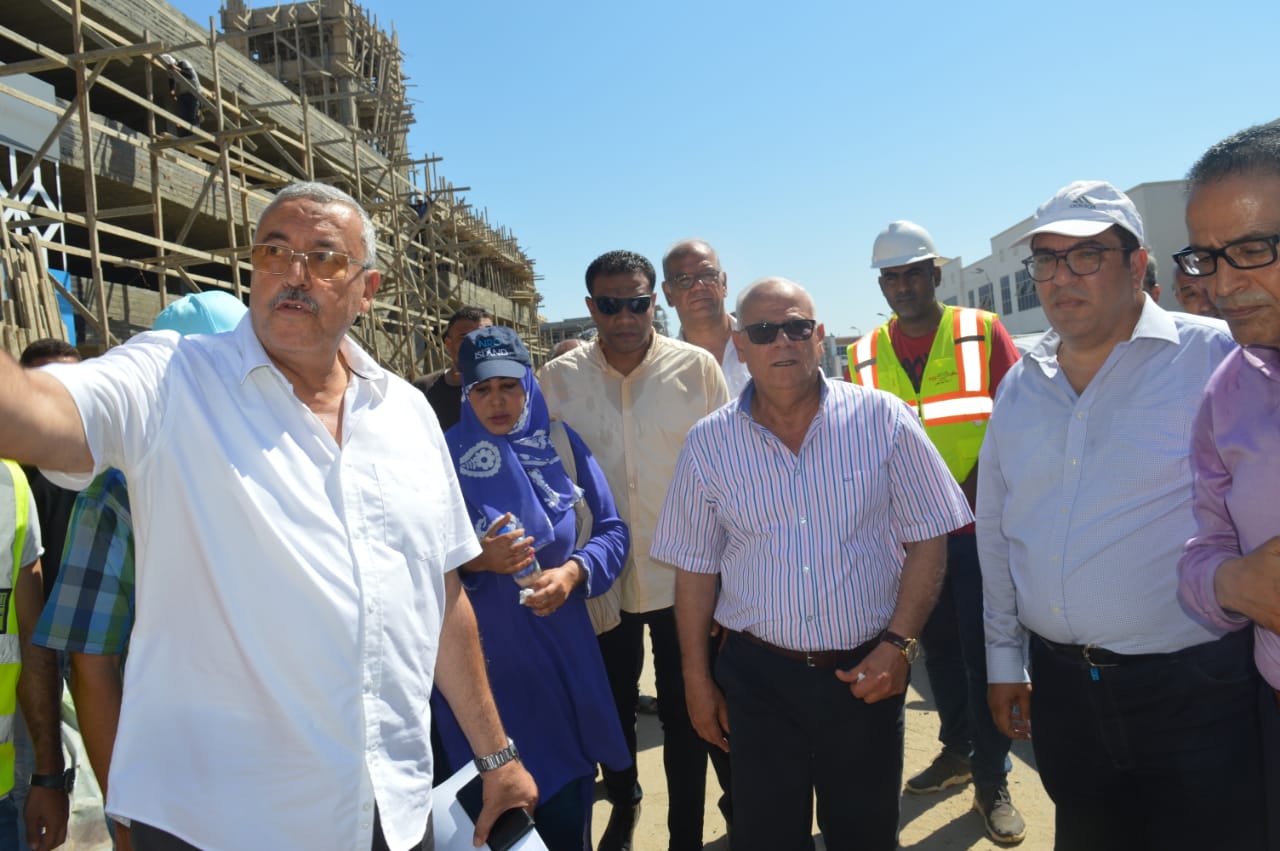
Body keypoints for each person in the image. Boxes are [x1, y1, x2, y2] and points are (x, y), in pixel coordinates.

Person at [0, 181, 536, 850]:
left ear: (368, 290)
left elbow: (440, 597)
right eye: (274, 251)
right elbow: (31, 413)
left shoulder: (404, 413)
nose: (294, 273)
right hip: (217, 823)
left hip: (389, 814)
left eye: (325, 257)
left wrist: (495, 754)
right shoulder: (172, 379)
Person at [978, 179, 1261, 850]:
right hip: (1063, 693)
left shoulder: (1218, 358)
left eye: (1085, 256)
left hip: (1196, 690)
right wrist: (1003, 658)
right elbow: (997, 528)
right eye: (1046, 260)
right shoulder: (1021, 384)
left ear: (1137, 265)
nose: (1060, 277)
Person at [652, 277, 969, 850]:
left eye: (797, 327)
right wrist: (696, 680)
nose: (782, 341)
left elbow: (929, 536)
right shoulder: (708, 444)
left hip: (865, 674)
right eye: (763, 331)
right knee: (766, 837)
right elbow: (694, 568)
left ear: (819, 336)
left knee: (865, 836)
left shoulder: (884, 418)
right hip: (757, 681)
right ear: (740, 345)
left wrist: (897, 646)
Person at [30, 291, 249, 851]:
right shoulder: (116, 492)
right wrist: (124, 813)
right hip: (179, 791)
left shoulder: (279, 463)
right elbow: (93, 665)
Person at [537, 250, 729, 851]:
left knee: (687, 712)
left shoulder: (697, 370)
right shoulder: (555, 381)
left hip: (685, 579)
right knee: (612, 707)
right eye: (610, 304)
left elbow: (732, 472)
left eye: (637, 303)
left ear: (653, 302)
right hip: (599, 582)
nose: (624, 316)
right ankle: (624, 801)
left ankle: (684, 835)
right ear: (590, 306)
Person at [853, 220, 1024, 843]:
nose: (902, 286)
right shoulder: (864, 354)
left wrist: (967, 496)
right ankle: (958, 751)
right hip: (913, 541)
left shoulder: (982, 331)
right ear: (882, 284)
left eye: (913, 274)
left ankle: (993, 779)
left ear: (935, 274)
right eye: (891, 277)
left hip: (979, 531)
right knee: (941, 654)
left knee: (985, 655)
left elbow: (1018, 421)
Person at [429, 325, 630, 851]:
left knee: (568, 820)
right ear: (465, 391)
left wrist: (573, 573)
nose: (496, 401)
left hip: (563, 669)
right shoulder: (437, 460)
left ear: (528, 386)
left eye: (508, 386)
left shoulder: (560, 446)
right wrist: (477, 560)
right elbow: (410, 565)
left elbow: (613, 531)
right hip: (482, 683)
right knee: (501, 830)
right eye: (482, 389)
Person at [1174, 117, 1280, 850]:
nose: (1222, 284)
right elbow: (1200, 550)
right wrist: (1233, 582)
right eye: (1208, 258)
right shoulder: (1228, 389)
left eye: (1250, 250)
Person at [661, 239, 750, 396]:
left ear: (724, 283)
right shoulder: (661, 370)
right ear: (668, 294)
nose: (698, 286)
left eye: (708, 275)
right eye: (684, 279)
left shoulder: (763, 345)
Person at [413, 306, 493, 430]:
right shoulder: (423, 390)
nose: (476, 345)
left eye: (484, 337)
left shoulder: (513, 389)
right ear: (449, 344)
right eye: (465, 338)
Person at [159, 54, 198, 136]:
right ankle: (185, 135)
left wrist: (177, 69)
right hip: (183, 93)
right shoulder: (170, 70)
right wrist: (172, 90)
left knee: (192, 115)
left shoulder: (184, 63)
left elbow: (189, 75)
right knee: (182, 115)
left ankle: (194, 134)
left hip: (194, 92)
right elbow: (171, 79)